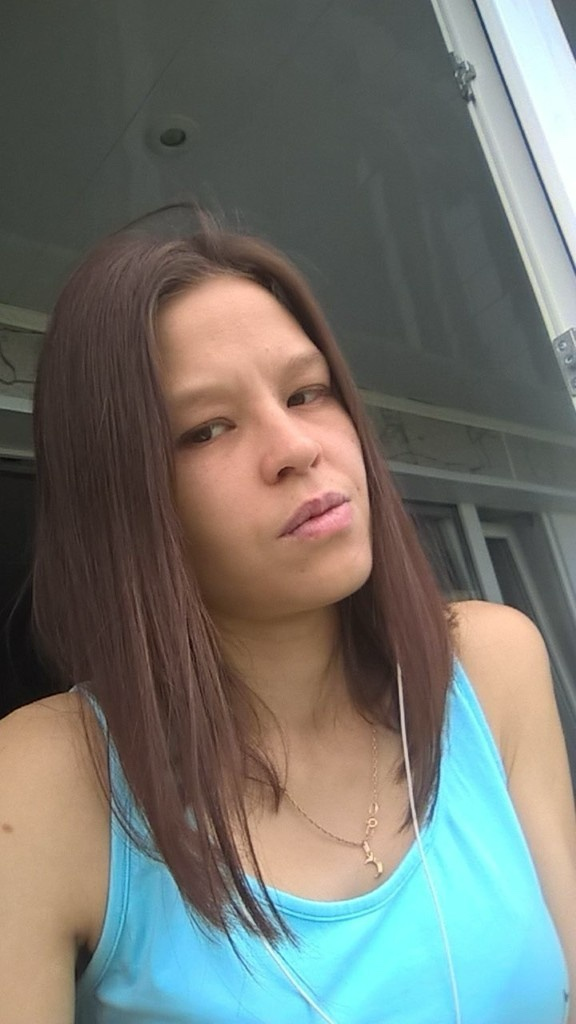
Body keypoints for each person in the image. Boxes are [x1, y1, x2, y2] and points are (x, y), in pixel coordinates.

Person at [0, 209, 574, 1024]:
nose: (296, 446)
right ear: (119, 499)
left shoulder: (490, 664)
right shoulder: (43, 783)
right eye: (206, 429)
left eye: (308, 392)